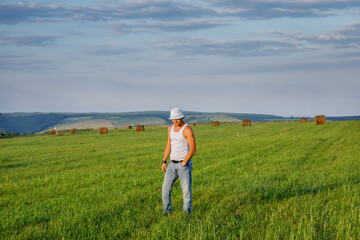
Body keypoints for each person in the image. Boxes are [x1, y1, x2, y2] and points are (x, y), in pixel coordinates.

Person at [161, 107, 196, 214]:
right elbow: (168, 145)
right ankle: (166, 212)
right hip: (172, 164)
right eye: (173, 119)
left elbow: (193, 149)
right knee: (165, 190)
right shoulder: (170, 129)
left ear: (182, 117)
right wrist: (164, 161)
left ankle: (186, 214)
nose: (175, 121)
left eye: (177, 118)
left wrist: (184, 162)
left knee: (186, 192)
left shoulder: (187, 130)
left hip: (183, 165)